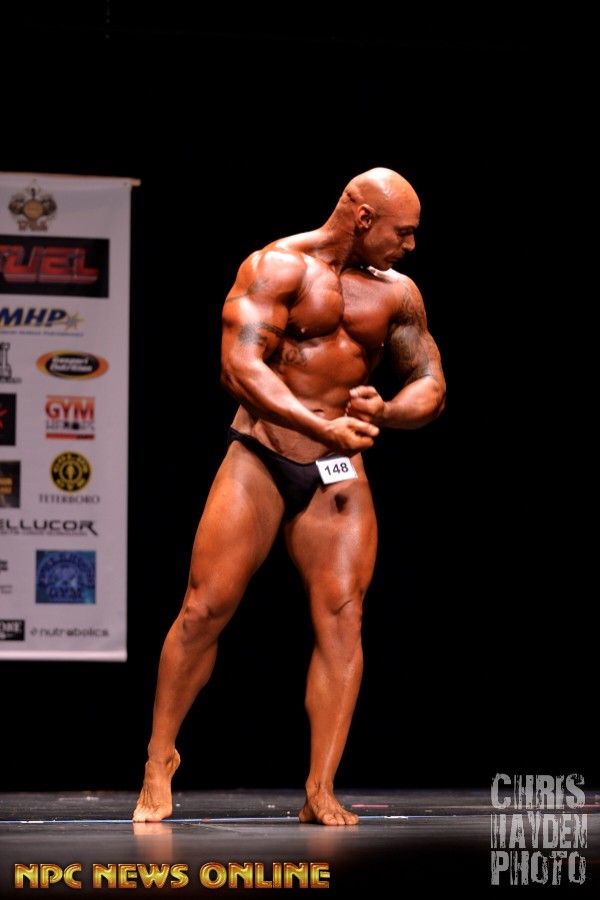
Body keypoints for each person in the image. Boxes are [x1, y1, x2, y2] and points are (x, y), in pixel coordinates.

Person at [133, 167, 446, 826]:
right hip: (261, 454)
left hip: (337, 466)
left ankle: (320, 787)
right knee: (204, 608)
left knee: (343, 619)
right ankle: (160, 758)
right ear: (363, 218)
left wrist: (388, 412)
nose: (411, 246)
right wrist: (319, 425)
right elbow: (239, 368)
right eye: (404, 233)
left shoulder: (399, 294)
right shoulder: (277, 267)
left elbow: (430, 382)